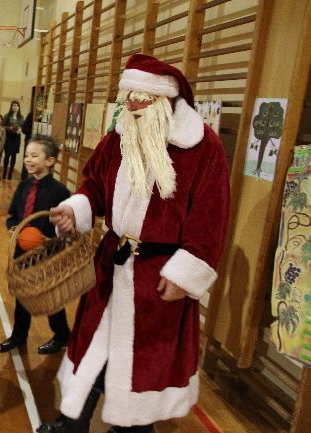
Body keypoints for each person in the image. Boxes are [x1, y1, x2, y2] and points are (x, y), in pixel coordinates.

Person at [37, 54, 230, 433]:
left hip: (158, 275)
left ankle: (132, 428)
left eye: (141, 99)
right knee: (92, 345)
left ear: (165, 100)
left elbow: (212, 218)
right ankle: (71, 422)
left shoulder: (203, 148)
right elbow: (94, 185)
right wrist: (76, 209)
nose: (132, 106)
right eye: (128, 98)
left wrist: (185, 273)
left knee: (143, 360)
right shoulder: (118, 137)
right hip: (111, 260)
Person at [0, 135, 72, 355]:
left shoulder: (60, 192)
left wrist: (50, 241)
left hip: (47, 253)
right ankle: (19, 336)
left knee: (48, 297)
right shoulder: (23, 185)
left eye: (34, 155)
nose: (28, 160)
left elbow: (66, 228)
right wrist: (14, 227)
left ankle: (62, 336)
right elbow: (13, 215)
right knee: (23, 295)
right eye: (27, 155)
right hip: (23, 252)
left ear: (49, 161)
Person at [2, 101, 23, 181]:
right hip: (8, 137)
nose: (15, 107)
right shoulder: (7, 116)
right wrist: (9, 128)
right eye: (14, 105)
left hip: (17, 138)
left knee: (14, 156)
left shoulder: (21, 117)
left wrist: (20, 129)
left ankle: (10, 173)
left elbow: (22, 127)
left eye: (17, 106)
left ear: (19, 107)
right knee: (7, 156)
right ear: (11, 106)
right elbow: (3, 126)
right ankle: (4, 172)